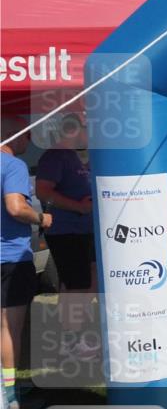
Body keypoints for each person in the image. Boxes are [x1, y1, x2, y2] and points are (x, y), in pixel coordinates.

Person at [35, 113, 98, 359]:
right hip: (67, 231)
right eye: (86, 129)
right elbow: (43, 191)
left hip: (82, 230)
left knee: (83, 283)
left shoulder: (73, 156)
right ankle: (71, 342)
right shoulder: (54, 156)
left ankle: (76, 336)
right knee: (76, 287)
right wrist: (78, 206)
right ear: (74, 130)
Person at [1, 117, 53, 409]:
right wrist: (41, 218)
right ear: (13, 135)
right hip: (10, 257)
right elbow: (16, 207)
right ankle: (9, 397)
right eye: (27, 134)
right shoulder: (13, 166)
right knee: (9, 329)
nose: (29, 141)